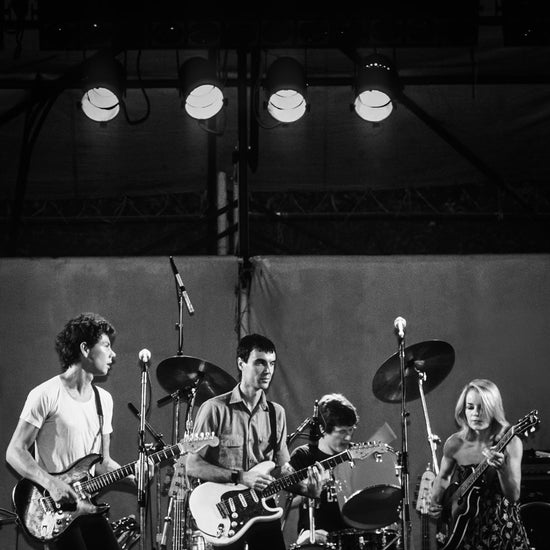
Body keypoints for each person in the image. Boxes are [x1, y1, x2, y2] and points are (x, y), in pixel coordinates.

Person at [6, 312, 131, 550]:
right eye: (106, 346)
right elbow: (14, 451)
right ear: (85, 349)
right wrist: (52, 484)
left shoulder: (104, 400)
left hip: (85, 502)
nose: (113, 354)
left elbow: (103, 463)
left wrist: (137, 477)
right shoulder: (45, 394)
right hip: (52, 507)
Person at [186, 333, 290, 550]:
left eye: (272, 363)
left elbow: (283, 468)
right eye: (260, 362)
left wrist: (309, 483)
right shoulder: (214, 409)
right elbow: (193, 465)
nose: (268, 370)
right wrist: (241, 477)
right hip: (225, 511)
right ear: (241, 363)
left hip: (262, 508)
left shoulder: (276, 413)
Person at [428, 378, 531, 550]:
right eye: (470, 407)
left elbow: (514, 496)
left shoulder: (511, 443)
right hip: (463, 532)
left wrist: (502, 469)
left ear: (493, 410)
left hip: (502, 530)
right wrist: (435, 501)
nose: (476, 413)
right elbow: (444, 476)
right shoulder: (454, 443)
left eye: (482, 407)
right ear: (463, 410)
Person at [286, 393, 359, 546]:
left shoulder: (356, 455)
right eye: (342, 432)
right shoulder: (304, 455)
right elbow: (285, 501)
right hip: (314, 538)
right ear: (323, 429)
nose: (348, 438)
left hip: (352, 538)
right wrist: (308, 489)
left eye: (351, 430)